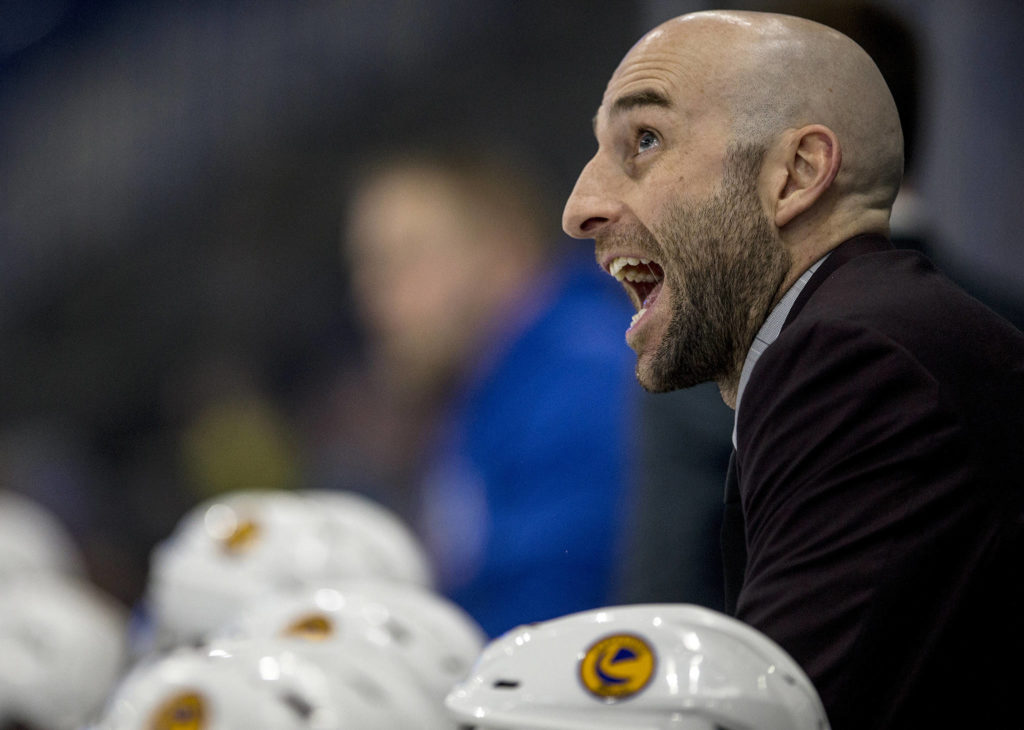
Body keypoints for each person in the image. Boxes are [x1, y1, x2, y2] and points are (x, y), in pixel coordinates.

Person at [561, 10, 1024, 730]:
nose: (579, 207)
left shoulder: (852, 362)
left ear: (797, 174)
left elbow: (768, 716)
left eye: (644, 140)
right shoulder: (872, 332)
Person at [343, 147, 637, 638]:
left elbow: (556, 621)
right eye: (364, 267)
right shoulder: (493, 392)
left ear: (504, 253)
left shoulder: (580, 377)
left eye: (404, 258)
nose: (372, 292)